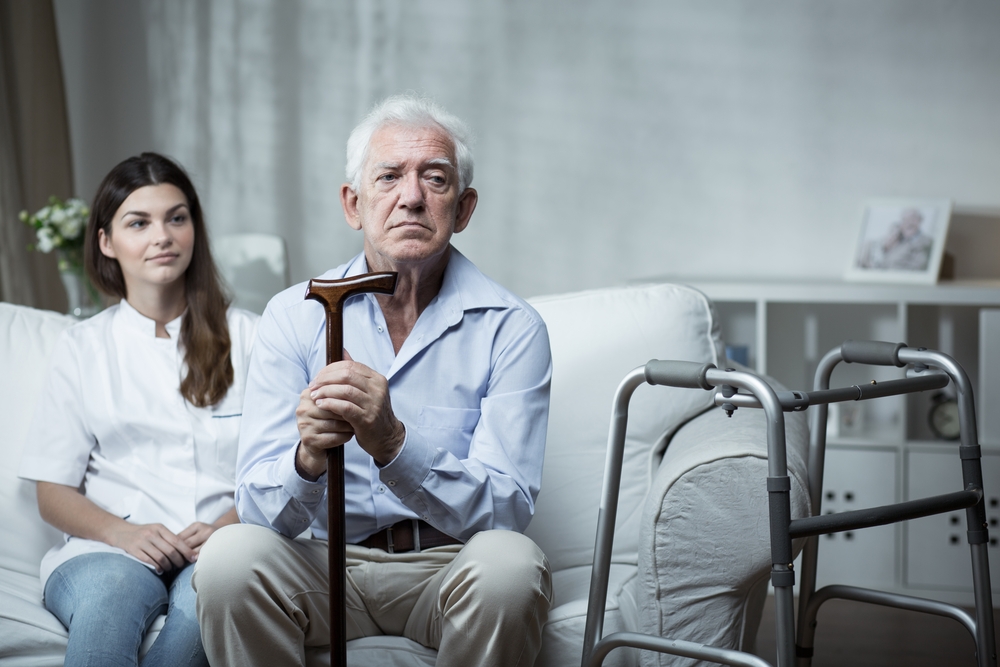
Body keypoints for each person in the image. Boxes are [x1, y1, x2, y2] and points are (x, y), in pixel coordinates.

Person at [193, 94, 553, 667]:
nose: (411, 197)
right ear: (353, 204)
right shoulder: (295, 315)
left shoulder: (513, 329)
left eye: (435, 179)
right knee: (228, 557)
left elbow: (507, 510)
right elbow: (258, 511)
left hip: (447, 569)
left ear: (463, 209)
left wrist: (395, 445)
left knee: (511, 568)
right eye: (389, 177)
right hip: (323, 563)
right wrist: (307, 458)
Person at [17, 153, 259, 667]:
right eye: (138, 222)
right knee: (108, 603)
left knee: (204, 610)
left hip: (219, 549)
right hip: (107, 550)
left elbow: (285, 466)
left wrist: (227, 526)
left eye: (177, 217)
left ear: (195, 229)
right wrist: (123, 533)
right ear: (106, 242)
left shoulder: (252, 337)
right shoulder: (83, 347)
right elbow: (51, 490)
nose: (163, 236)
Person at [858, 207, 934, 271]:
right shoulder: (900, 240)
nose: (909, 222)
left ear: (920, 220)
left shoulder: (926, 242)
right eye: (905, 219)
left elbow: (919, 266)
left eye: (913, 218)